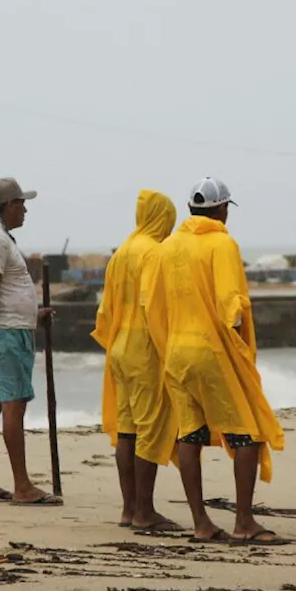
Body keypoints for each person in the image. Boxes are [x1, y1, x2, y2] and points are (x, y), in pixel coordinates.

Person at [144, 177, 287, 545]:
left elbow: (152, 305)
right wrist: (240, 351)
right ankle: (243, 522)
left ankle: (201, 523)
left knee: (189, 435)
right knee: (247, 433)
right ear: (222, 209)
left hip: (177, 351)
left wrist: (167, 346)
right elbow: (232, 306)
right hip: (213, 350)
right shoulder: (222, 243)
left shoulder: (168, 246)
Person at [0, 176, 61, 506]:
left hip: (3, 328)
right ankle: (22, 486)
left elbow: (0, 295)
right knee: (13, 407)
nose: (25, 210)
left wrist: (33, 313)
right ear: (8, 206)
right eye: (22, 204)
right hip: (6, 335)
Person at [91, 190, 182, 532]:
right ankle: (145, 511)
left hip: (119, 347)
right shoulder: (153, 253)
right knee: (150, 429)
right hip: (145, 349)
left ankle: (129, 509)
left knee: (127, 430)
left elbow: (106, 309)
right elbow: (155, 305)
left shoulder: (122, 252)